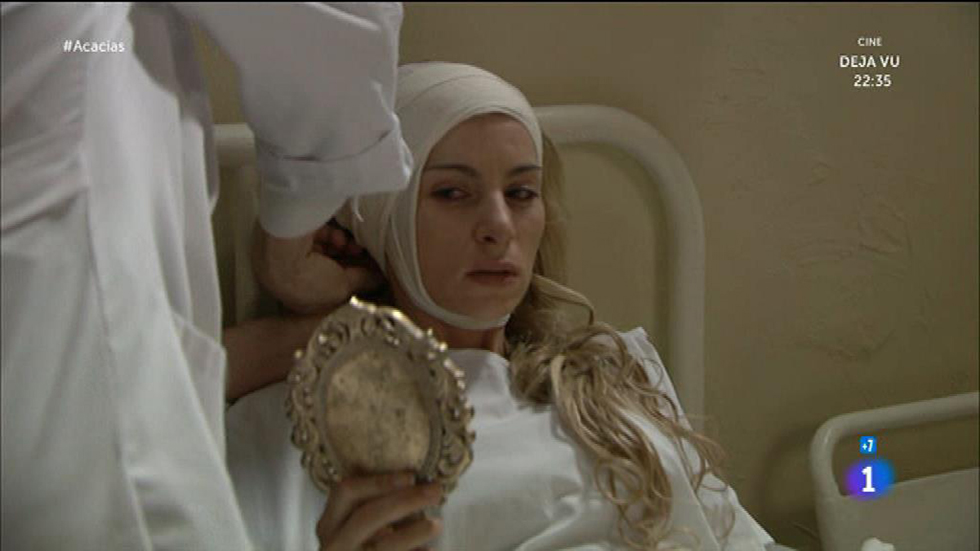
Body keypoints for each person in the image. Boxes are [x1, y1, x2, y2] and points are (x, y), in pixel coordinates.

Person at [225, 62, 776, 550]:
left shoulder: (611, 377)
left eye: (520, 194)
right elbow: (177, 389)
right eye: (451, 193)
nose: (499, 226)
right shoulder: (298, 426)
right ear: (383, 224)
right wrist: (324, 305)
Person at [1, 3, 412, 549]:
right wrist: (294, 227)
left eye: (518, 192)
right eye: (452, 192)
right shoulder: (276, 421)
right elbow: (339, 22)